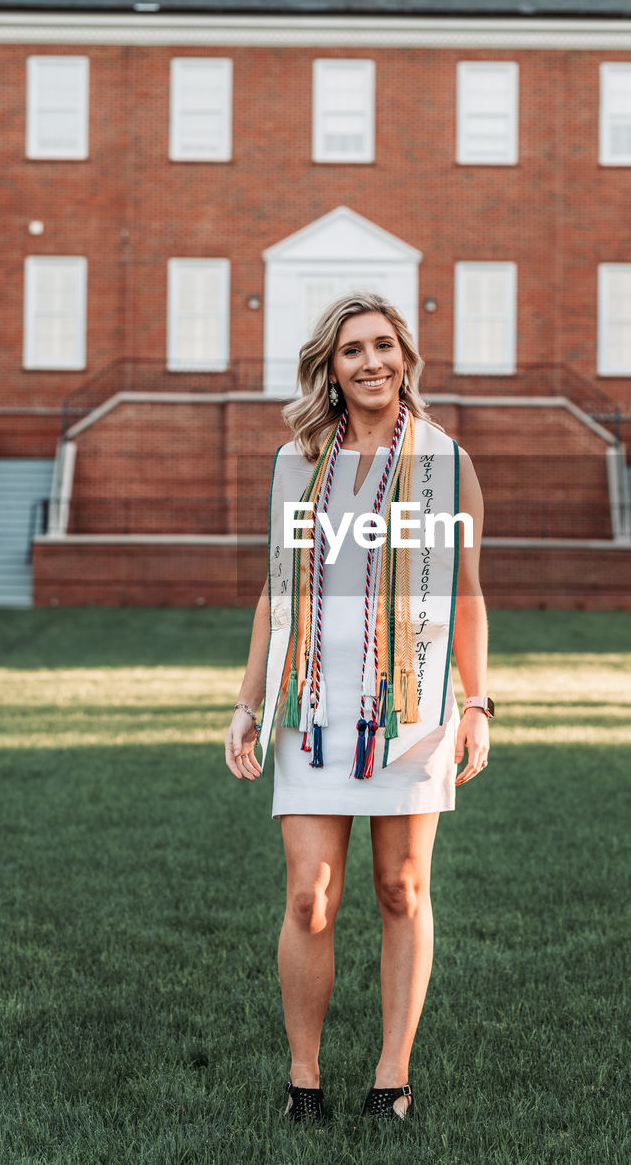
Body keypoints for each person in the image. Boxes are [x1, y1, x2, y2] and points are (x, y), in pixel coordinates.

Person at [224, 291, 491, 1124]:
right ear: (331, 371)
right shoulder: (296, 462)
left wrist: (477, 702)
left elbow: (469, 591)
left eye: (384, 346)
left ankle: (392, 1073)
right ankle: (304, 1077)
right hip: (312, 702)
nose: (372, 362)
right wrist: (246, 702)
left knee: (402, 888)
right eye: (353, 352)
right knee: (311, 893)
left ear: (405, 357)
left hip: (411, 707)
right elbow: (277, 590)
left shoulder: (447, 461)